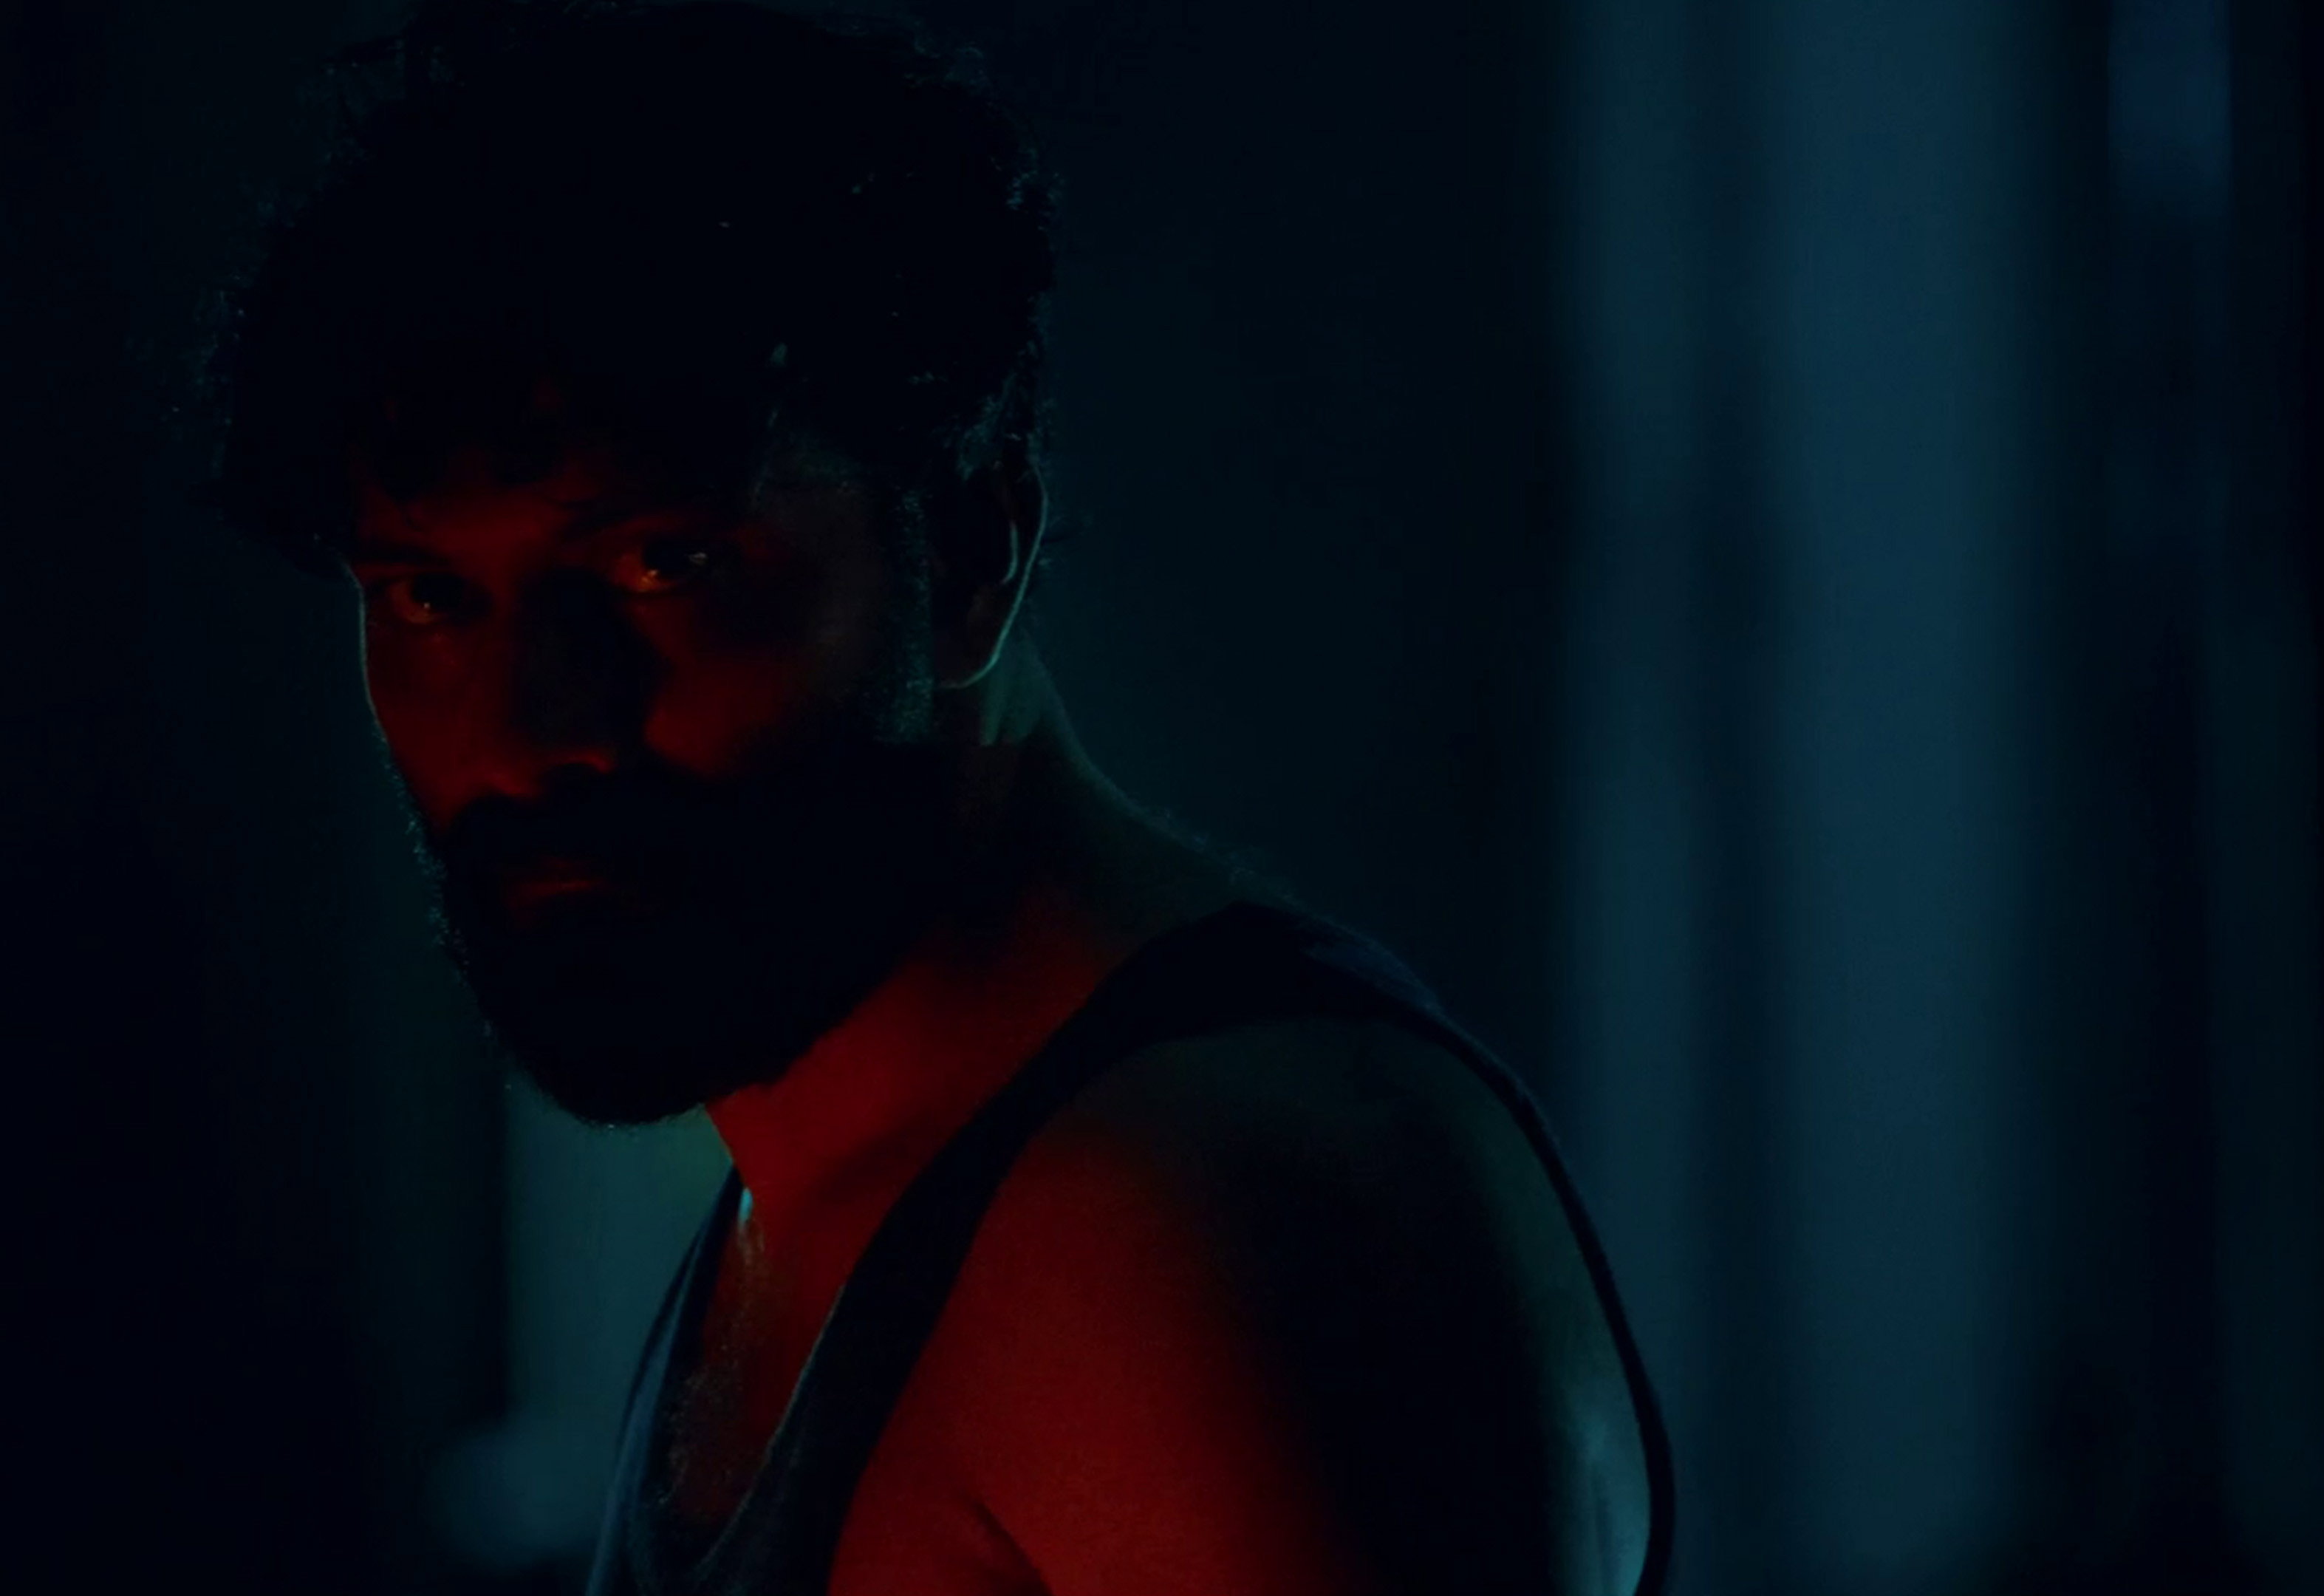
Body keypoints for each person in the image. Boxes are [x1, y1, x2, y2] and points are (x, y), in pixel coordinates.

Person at [205, 3, 1672, 1592]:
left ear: (972, 549)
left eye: (663, 564)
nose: (529, 731)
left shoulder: (1189, 1226)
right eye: (431, 597)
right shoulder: (836, 1156)